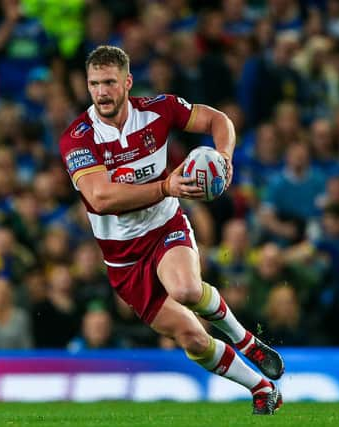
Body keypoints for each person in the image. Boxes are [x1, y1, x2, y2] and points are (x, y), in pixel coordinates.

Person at [58, 46, 284, 415]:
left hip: (165, 227)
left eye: (110, 83)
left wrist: (224, 159)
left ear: (127, 82)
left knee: (186, 288)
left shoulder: (158, 110)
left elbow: (218, 120)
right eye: (94, 84)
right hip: (122, 258)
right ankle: (261, 387)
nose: (101, 92)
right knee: (193, 338)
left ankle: (246, 341)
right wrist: (166, 186)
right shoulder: (78, 138)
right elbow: (100, 198)